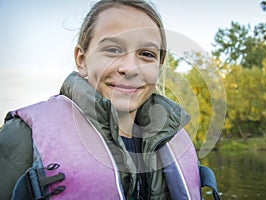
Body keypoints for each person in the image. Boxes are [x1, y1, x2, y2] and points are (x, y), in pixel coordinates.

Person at [0, 0, 220, 199]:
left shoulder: (174, 141)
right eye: (113, 50)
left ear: (159, 67)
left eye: (147, 54)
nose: (130, 69)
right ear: (82, 60)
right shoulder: (22, 136)